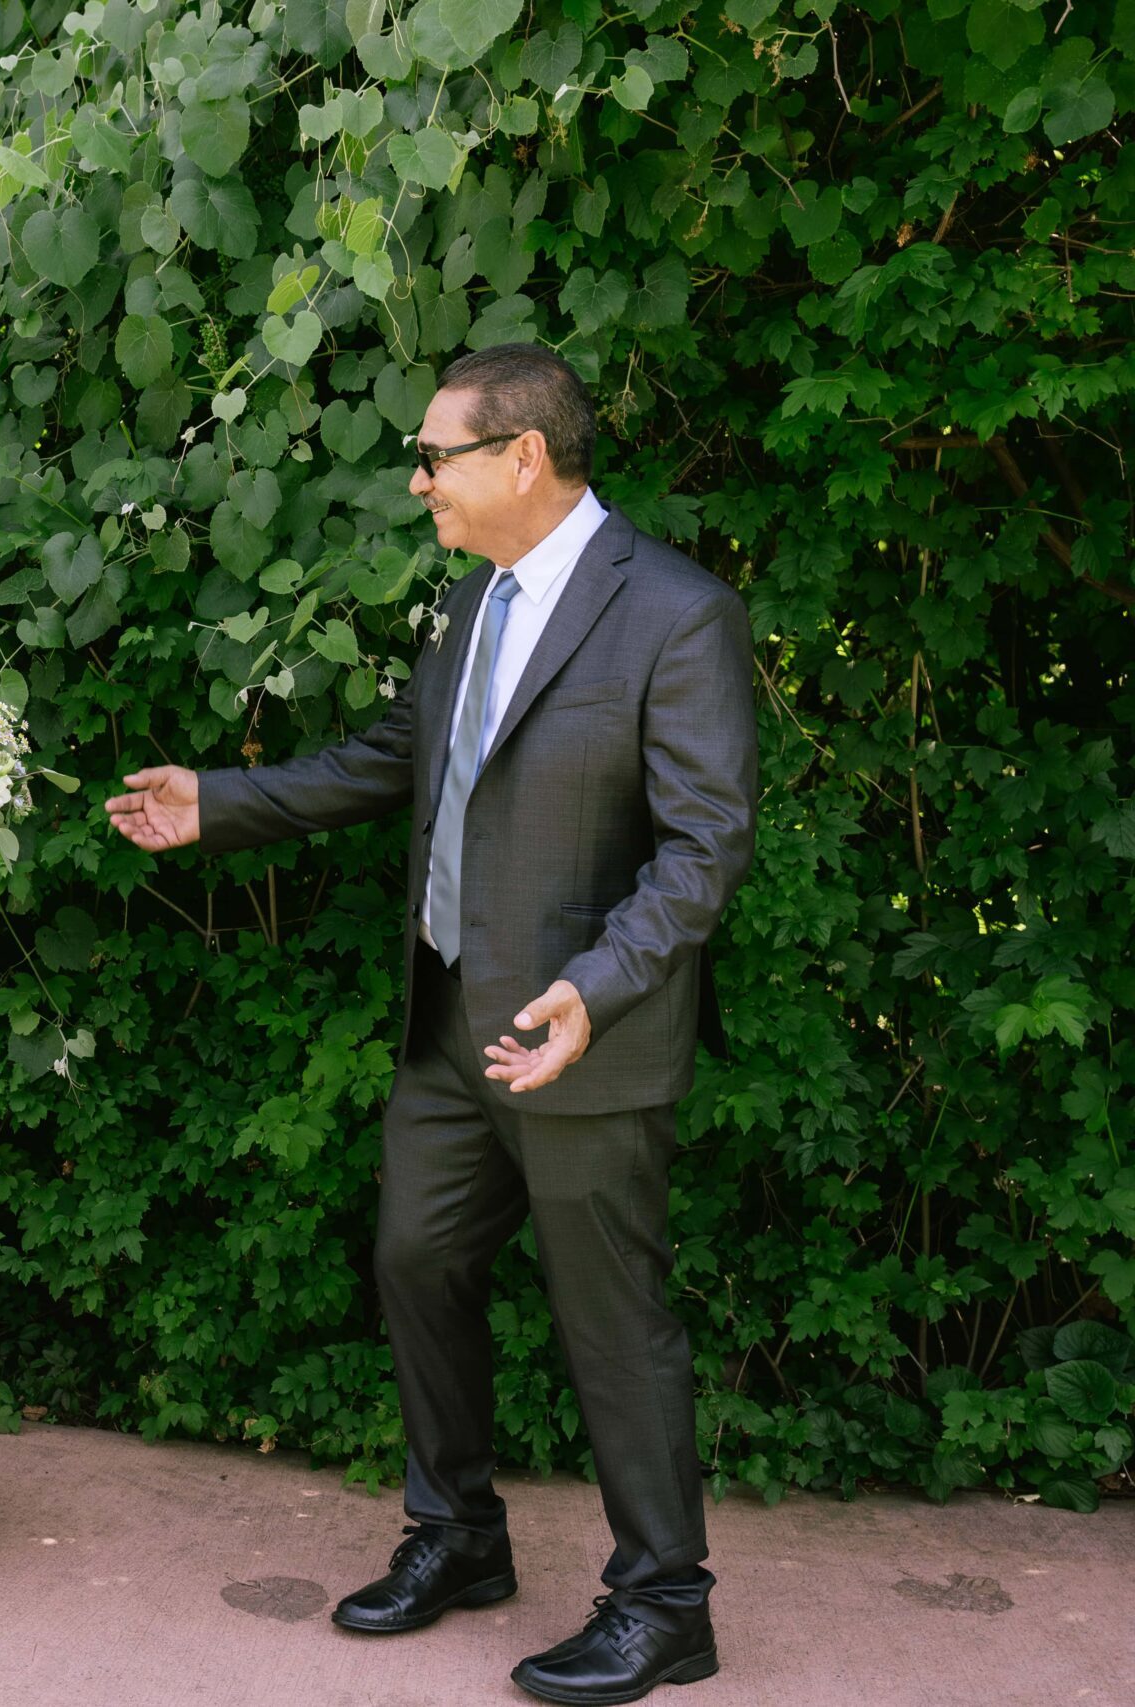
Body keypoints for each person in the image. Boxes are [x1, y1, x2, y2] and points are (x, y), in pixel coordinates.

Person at [106, 344, 755, 1705]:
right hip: (451, 1026)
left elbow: (702, 847)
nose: (419, 480)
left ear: (521, 456)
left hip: (587, 1032)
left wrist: (600, 983)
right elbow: (395, 761)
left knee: (612, 1319)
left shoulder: (677, 613)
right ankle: (457, 1535)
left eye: (437, 455)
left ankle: (665, 1602)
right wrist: (216, 801)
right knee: (417, 1259)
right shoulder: (468, 604)